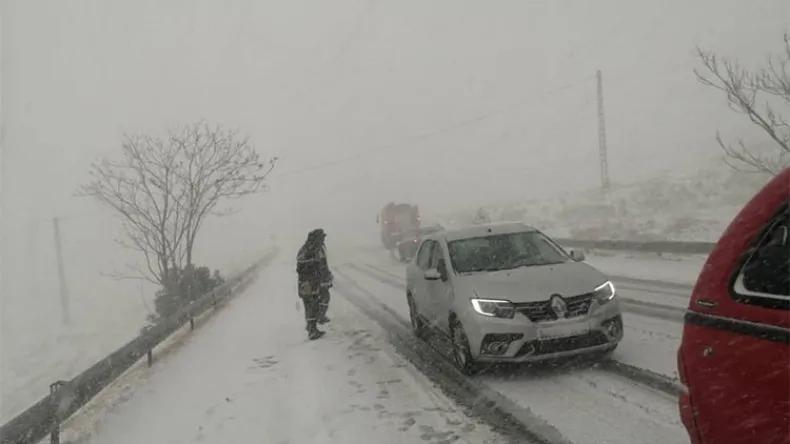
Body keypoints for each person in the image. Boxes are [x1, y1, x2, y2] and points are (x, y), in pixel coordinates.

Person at [296, 229, 333, 340]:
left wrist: (326, 276)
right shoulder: (308, 250)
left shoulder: (315, 248)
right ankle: (312, 329)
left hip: (312, 282)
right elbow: (303, 267)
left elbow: (322, 265)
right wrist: (317, 270)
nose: (323, 240)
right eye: (322, 238)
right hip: (308, 283)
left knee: (314, 303)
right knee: (311, 304)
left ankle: (313, 326)